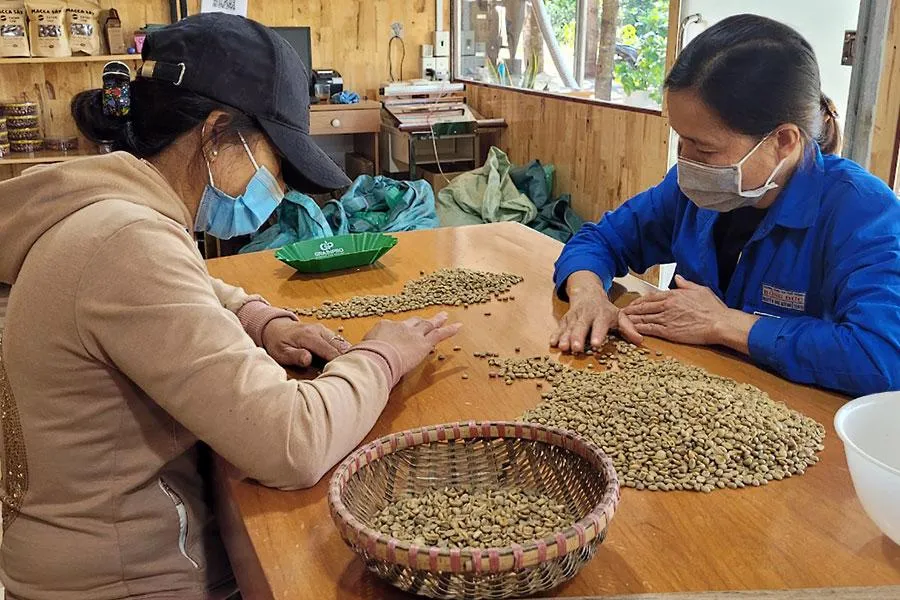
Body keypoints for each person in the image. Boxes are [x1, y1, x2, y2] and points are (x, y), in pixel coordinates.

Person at [0, 14, 459, 600]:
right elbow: (291, 443)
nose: (282, 188)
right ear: (218, 133)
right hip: (120, 578)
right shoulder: (125, 243)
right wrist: (382, 357)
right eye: (275, 161)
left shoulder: (107, 207)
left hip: (91, 551)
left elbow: (193, 287)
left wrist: (264, 320)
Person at [551, 14, 900, 397]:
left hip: (797, 420)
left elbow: (882, 355)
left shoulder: (863, 211)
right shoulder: (691, 190)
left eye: (704, 147)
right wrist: (588, 297)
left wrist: (726, 324)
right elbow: (599, 240)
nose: (686, 160)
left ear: (783, 140)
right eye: (681, 140)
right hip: (691, 395)